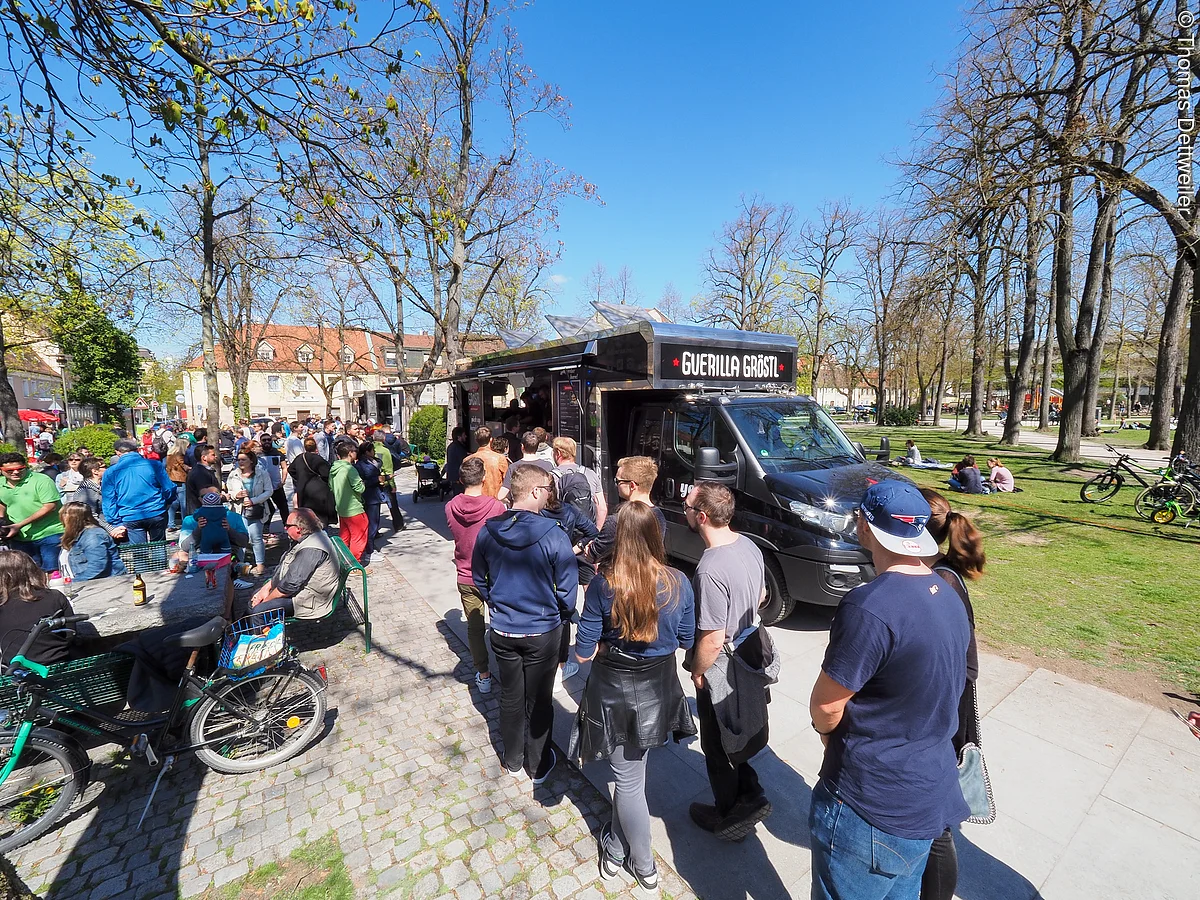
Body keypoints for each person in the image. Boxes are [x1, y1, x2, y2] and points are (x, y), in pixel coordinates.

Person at [808, 481, 970, 900]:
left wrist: (829, 738)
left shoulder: (870, 606)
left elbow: (826, 705)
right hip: (925, 795)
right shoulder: (947, 590)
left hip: (871, 804)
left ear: (864, 526)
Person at [570, 501, 696, 895]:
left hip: (615, 688)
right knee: (632, 777)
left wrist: (607, 646)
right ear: (657, 536)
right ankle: (617, 846)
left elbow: (583, 652)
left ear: (620, 536)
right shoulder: (679, 581)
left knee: (628, 781)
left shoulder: (605, 583)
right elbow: (688, 640)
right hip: (658, 686)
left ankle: (640, 862)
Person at [472, 464, 577, 783]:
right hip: (542, 630)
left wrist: (499, 602)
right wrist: (557, 613)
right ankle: (538, 763)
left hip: (504, 629)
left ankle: (513, 758)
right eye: (548, 490)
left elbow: (479, 577)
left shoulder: (488, 530)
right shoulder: (554, 534)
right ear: (535, 492)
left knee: (511, 695)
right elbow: (568, 592)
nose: (550, 496)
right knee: (539, 699)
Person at [684, 481, 776, 842]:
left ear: (702, 517)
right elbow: (763, 594)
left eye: (689, 507)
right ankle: (750, 793)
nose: (685, 510)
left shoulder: (709, 570)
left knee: (717, 742)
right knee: (740, 727)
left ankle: (728, 814)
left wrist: (697, 671)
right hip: (753, 649)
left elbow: (711, 637)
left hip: (724, 664)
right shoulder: (748, 544)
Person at [918, 489, 986, 900]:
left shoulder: (940, 582)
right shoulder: (943, 572)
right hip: (949, 704)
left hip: (945, 709)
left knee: (937, 823)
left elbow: (960, 662)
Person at [445, 457, 506, 694]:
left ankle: (483, 673)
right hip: (493, 576)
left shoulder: (450, 507)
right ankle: (506, 668)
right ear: (484, 478)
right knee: (500, 624)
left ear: (460, 480)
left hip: (465, 574)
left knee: (475, 628)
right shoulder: (496, 508)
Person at [540, 476, 600, 688]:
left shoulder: (535, 513)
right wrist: (575, 548)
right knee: (564, 613)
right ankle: (561, 667)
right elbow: (593, 532)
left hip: (540, 569)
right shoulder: (568, 511)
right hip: (565, 568)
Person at [249, 509, 341, 619]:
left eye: (287, 525)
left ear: (298, 529)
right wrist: (265, 589)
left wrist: (265, 600)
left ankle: (258, 635)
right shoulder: (306, 538)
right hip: (299, 592)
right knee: (256, 595)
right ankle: (244, 632)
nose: (284, 528)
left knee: (258, 611)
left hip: (309, 601)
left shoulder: (311, 549)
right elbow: (283, 568)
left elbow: (289, 586)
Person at [0, 551, 76, 667]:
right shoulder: (54, 596)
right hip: (59, 667)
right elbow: (71, 634)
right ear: (32, 570)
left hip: (16, 674)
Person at [585, 456, 666, 565]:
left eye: (618, 481)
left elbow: (593, 555)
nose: (616, 485)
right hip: (650, 578)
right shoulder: (659, 516)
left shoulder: (616, 521)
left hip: (617, 579)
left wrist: (590, 547)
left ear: (632, 485)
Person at [0, 452, 66, 572]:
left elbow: (50, 506)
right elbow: (2, 502)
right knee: (27, 573)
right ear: (1, 470)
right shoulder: (0, 484)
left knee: (52, 571)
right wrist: (1, 520)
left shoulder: (41, 480)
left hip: (49, 533)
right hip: (19, 537)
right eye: (10, 470)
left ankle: (53, 591)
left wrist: (19, 525)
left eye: (20, 469)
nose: (15, 472)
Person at [101, 439, 176, 544]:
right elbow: (169, 488)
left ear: (117, 452)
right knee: (158, 549)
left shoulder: (110, 472)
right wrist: (166, 502)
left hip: (130, 515)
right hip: (155, 511)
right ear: (137, 450)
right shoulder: (154, 465)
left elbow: (109, 500)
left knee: (139, 553)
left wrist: (115, 522)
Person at [226, 448, 272, 575]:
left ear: (251, 461)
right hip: (239, 510)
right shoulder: (233, 474)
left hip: (256, 509)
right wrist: (237, 494)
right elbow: (229, 492)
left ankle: (260, 564)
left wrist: (254, 500)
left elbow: (269, 491)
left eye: (243, 459)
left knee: (256, 537)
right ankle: (241, 565)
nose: (240, 462)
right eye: (238, 459)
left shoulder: (261, 473)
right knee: (241, 538)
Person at [59, 502, 127, 582]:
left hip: (106, 584)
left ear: (72, 518)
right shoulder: (75, 535)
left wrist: (72, 582)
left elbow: (97, 567)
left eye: (63, 516)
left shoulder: (93, 536)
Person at [551, 437, 607, 530]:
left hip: (563, 535)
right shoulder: (590, 473)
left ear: (558, 453)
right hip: (587, 533)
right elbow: (602, 508)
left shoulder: (550, 478)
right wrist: (595, 533)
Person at [179, 490, 250, 558]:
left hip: (229, 556)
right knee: (180, 555)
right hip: (199, 557)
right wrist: (198, 530)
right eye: (204, 495)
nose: (211, 497)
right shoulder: (190, 520)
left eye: (216, 495)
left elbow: (243, 543)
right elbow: (185, 547)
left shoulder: (234, 517)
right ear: (200, 499)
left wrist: (229, 530)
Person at [330, 442, 368, 564]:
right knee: (359, 536)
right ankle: (354, 563)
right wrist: (362, 483)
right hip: (354, 508)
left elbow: (331, 486)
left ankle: (341, 560)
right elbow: (360, 488)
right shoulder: (350, 469)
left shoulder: (334, 468)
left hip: (341, 508)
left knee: (344, 536)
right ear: (350, 453)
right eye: (355, 451)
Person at [354, 441, 387, 568]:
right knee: (372, 525)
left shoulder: (373, 462)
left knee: (374, 523)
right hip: (370, 497)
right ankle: (369, 551)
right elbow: (362, 482)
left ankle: (369, 548)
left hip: (376, 494)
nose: (374, 452)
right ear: (367, 452)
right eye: (372, 450)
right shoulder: (361, 465)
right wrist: (376, 480)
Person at [291, 436, 337, 526]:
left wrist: (299, 478)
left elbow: (291, 470)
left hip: (303, 489)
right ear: (315, 447)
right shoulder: (318, 459)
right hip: (318, 490)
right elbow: (326, 474)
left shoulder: (300, 458)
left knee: (307, 515)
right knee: (320, 516)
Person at [497, 432, 553, 504]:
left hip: (521, 510)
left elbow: (500, 496)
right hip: (543, 509)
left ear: (522, 447)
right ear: (537, 447)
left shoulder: (513, 467)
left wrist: (509, 501)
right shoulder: (548, 465)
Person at [372, 428, 405, 532]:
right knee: (393, 505)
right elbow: (388, 469)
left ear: (373, 437)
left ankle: (374, 530)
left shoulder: (369, 448)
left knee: (374, 507)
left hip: (373, 481)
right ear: (384, 438)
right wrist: (393, 485)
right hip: (385, 481)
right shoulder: (385, 451)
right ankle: (398, 525)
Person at [466, 426, 508, 498]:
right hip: (495, 500)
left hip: (475, 501)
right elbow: (507, 482)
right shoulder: (500, 458)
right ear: (491, 440)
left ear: (476, 440)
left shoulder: (468, 460)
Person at [185, 443, 222, 515]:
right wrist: (223, 497)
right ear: (204, 457)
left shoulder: (202, 471)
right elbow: (206, 495)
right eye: (213, 455)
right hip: (202, 514)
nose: (216, 456)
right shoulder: (200, 473)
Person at [164, 444, 190, 531]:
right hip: (181, 480)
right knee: (184, 504)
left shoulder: (168, 456)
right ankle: (185, 523)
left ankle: (170, 524)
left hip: (171, 481)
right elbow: (184, 467)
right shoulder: (179, 455)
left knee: (173, 503)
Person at [443, 426, 469, 493]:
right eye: (464, 435)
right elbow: (464, 460)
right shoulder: (458, 447)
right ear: (459, 437)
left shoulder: (451, 446)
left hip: (453, 477)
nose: (466, 436)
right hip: (458, 478)